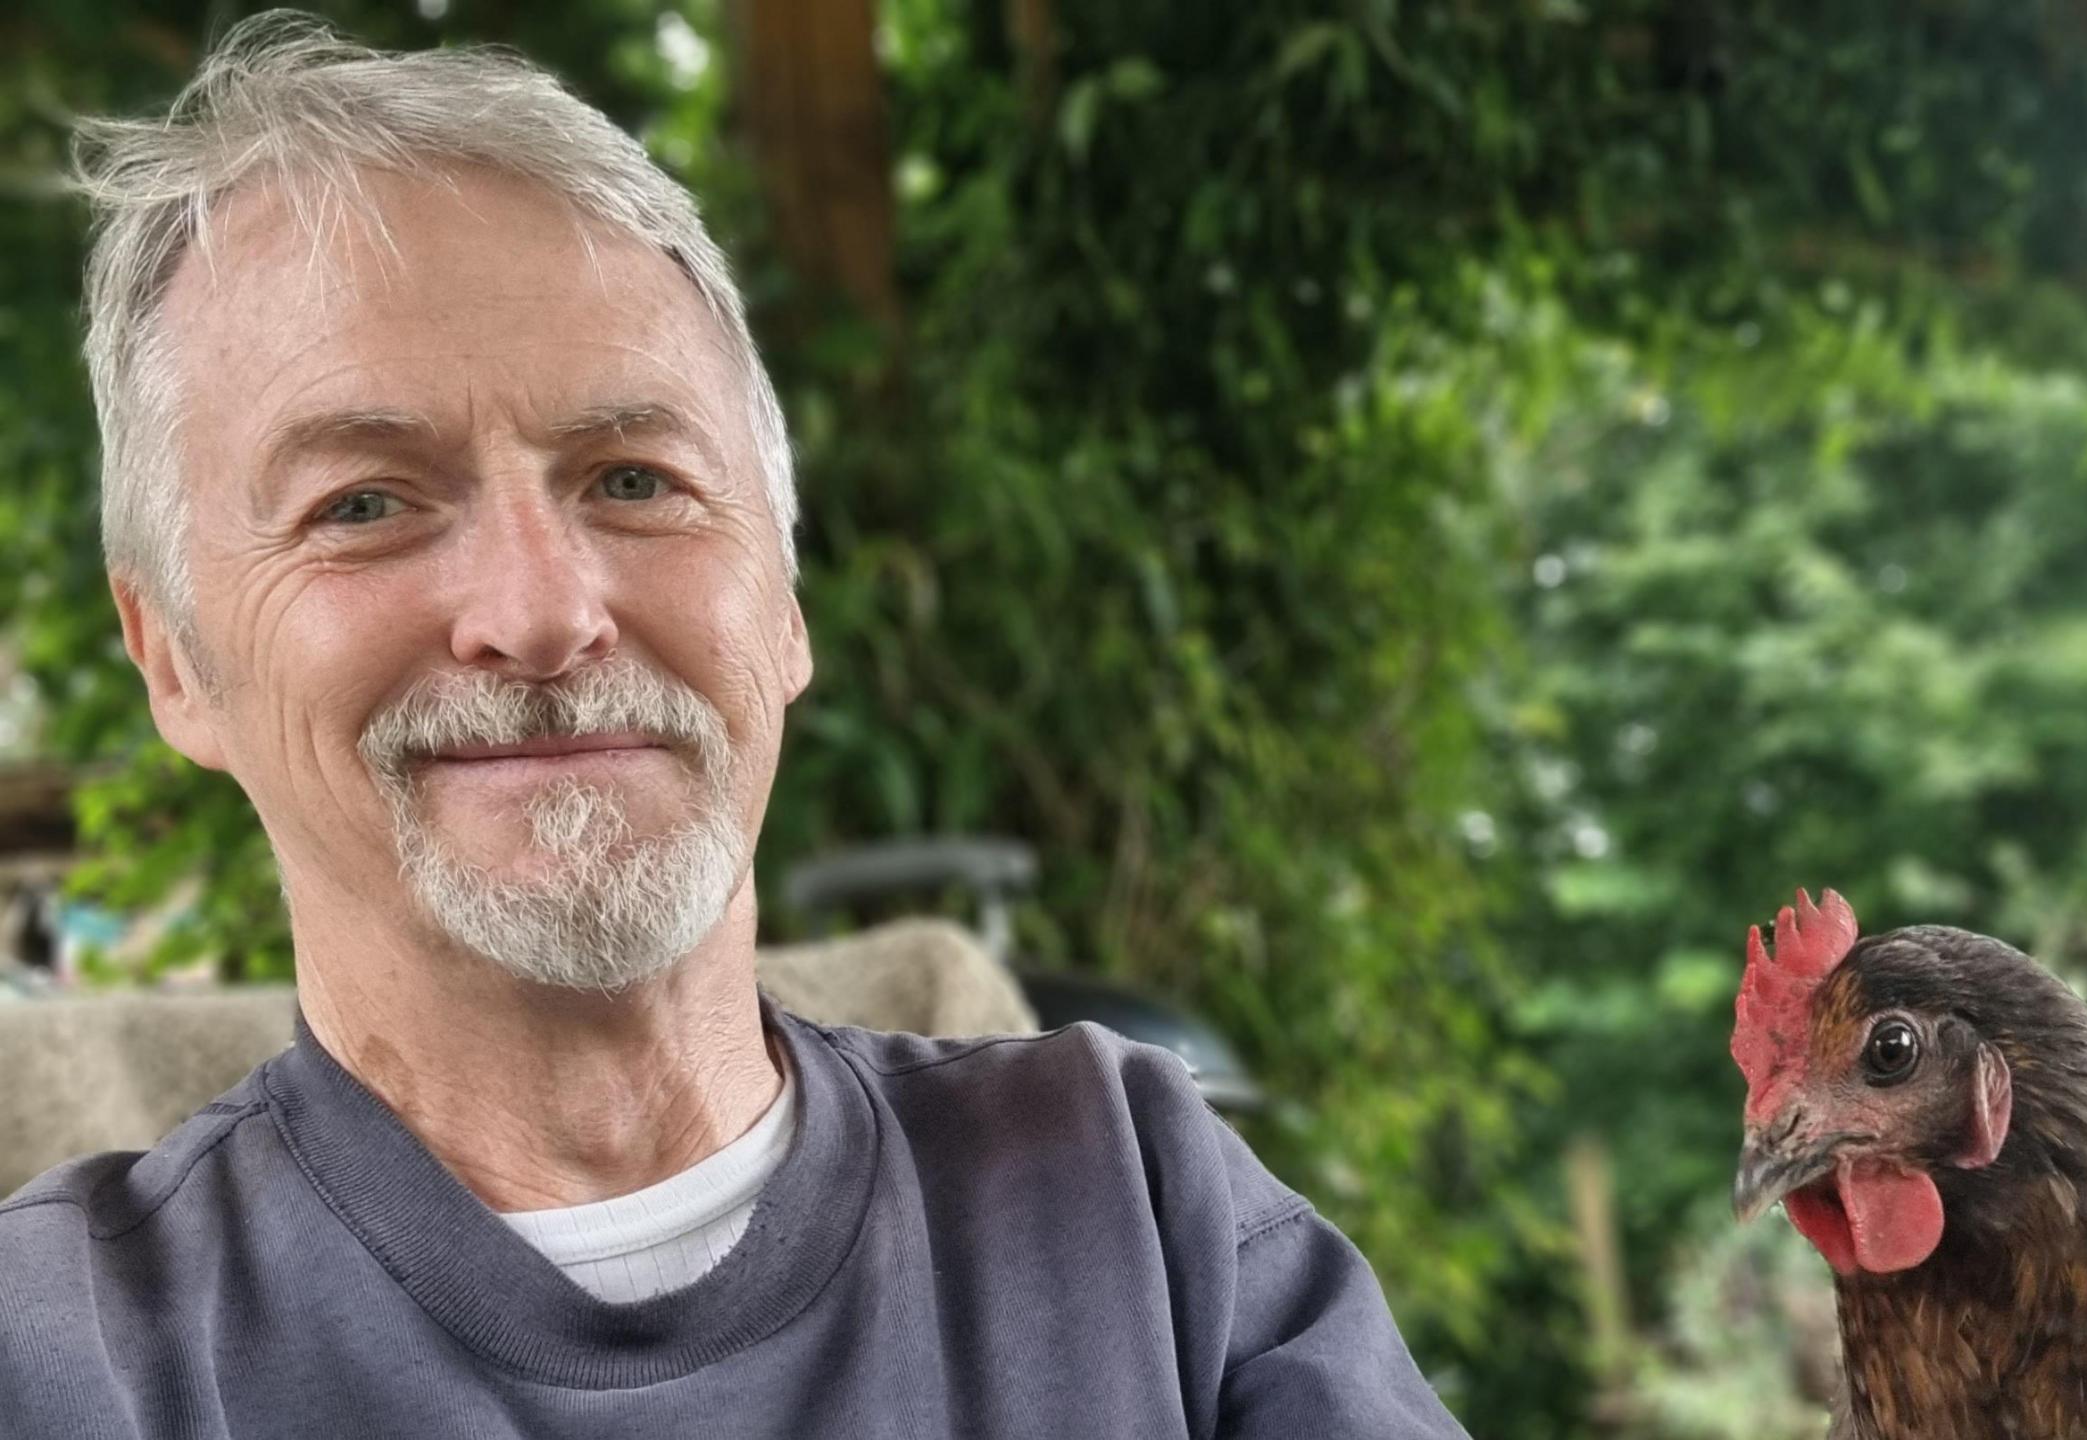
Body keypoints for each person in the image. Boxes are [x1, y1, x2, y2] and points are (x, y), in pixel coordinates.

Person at [0, 14, 1468, 1438]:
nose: (545, 609)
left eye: (633, 478)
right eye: (364, 505)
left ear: (784, 601)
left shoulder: (1133, 1203)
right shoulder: (58, 1355)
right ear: (173, 662)